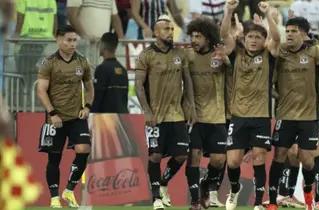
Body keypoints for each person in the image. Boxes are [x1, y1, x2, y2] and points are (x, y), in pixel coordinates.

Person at [266, 16, 319, 210]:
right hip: (285, 116)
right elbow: (269, 82)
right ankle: (273, 201)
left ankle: (308, 189)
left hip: (309, 117)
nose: (289, 34)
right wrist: (276, 95)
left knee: (307, 161)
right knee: (279, 155)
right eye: (288, 31)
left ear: (303, 34)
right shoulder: (281, 51)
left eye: (294, 31)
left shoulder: (315, 52)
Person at [220, 1, 281, 210]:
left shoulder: (268, 56)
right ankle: (234, 189)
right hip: (238, 116)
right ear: (243, 39)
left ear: (264, 41)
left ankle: (257, 203)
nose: (254, 40)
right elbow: (224, 35)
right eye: (250, 37)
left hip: (261, 116)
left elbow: (277, 38)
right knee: (233, 162)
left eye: (258, 37)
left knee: (258, 157)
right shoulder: (236, 54)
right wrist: (228, 11)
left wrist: (268, 16)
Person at [135, 15, 196, 210]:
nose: (170, 32)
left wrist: (191, 106)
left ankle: (162, 184)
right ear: (155, 32)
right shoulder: (146, 55)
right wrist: (146, 111)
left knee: (181, 155)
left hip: (177, 115)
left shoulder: (180, 54)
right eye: (166, 29)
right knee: (154, 156)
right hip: (156, 116)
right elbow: (138, 85)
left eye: (171, 29)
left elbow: (188, 82)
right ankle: (156, 199)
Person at [36, 25, 94, 208]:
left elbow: (90, 87)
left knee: (84, 149)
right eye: (68, 40)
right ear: (58, 40)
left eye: (74, 40)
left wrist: (87, 107)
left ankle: (69, 190)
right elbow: (41, 90)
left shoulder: (82, 61)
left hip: (77, 116)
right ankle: (54, 198)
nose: (72, 44)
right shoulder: (49, 62)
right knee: (54, 158)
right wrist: (52, 113)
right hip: (56, 118)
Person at [184, 17, 230, 210]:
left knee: (219, 160)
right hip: (195, 118)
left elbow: (232, 72)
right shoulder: (187, 56)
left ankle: (206, 186)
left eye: (198, 36)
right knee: (194, 156)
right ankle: (195, 200)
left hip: (217, 117)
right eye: (192, 35)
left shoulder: (218, 56)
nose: (194, 39)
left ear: (208, 38)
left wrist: (226, 60)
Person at [91, 32, 128, 113]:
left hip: (106, 119)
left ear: (103, 45)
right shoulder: (123, 70)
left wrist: (91, 115)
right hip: (122, 118)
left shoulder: (101, 69)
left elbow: (97, 97)